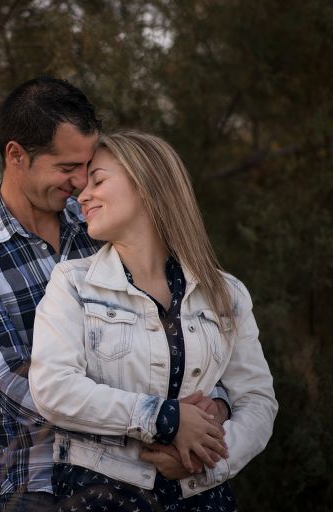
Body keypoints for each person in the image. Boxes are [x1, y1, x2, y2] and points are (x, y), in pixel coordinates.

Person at [0, 77, 230, 511]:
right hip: (38, 480)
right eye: (66, 167)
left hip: (157, 470)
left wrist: (209, 413)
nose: (79, 182)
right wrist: (163, 420)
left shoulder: (101, 223)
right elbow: (22, 388)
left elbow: (179, 326)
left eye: (88, 168)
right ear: (16, 156)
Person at [29, 130, 278, 511]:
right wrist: (165, 417)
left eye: (98, 180)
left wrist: (206, 460)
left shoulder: (226, 293)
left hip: (203, 498)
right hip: (102, 497)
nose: (82, 195)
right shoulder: (72, 284)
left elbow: (258, 402)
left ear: (146, 184)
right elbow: (54, 389)